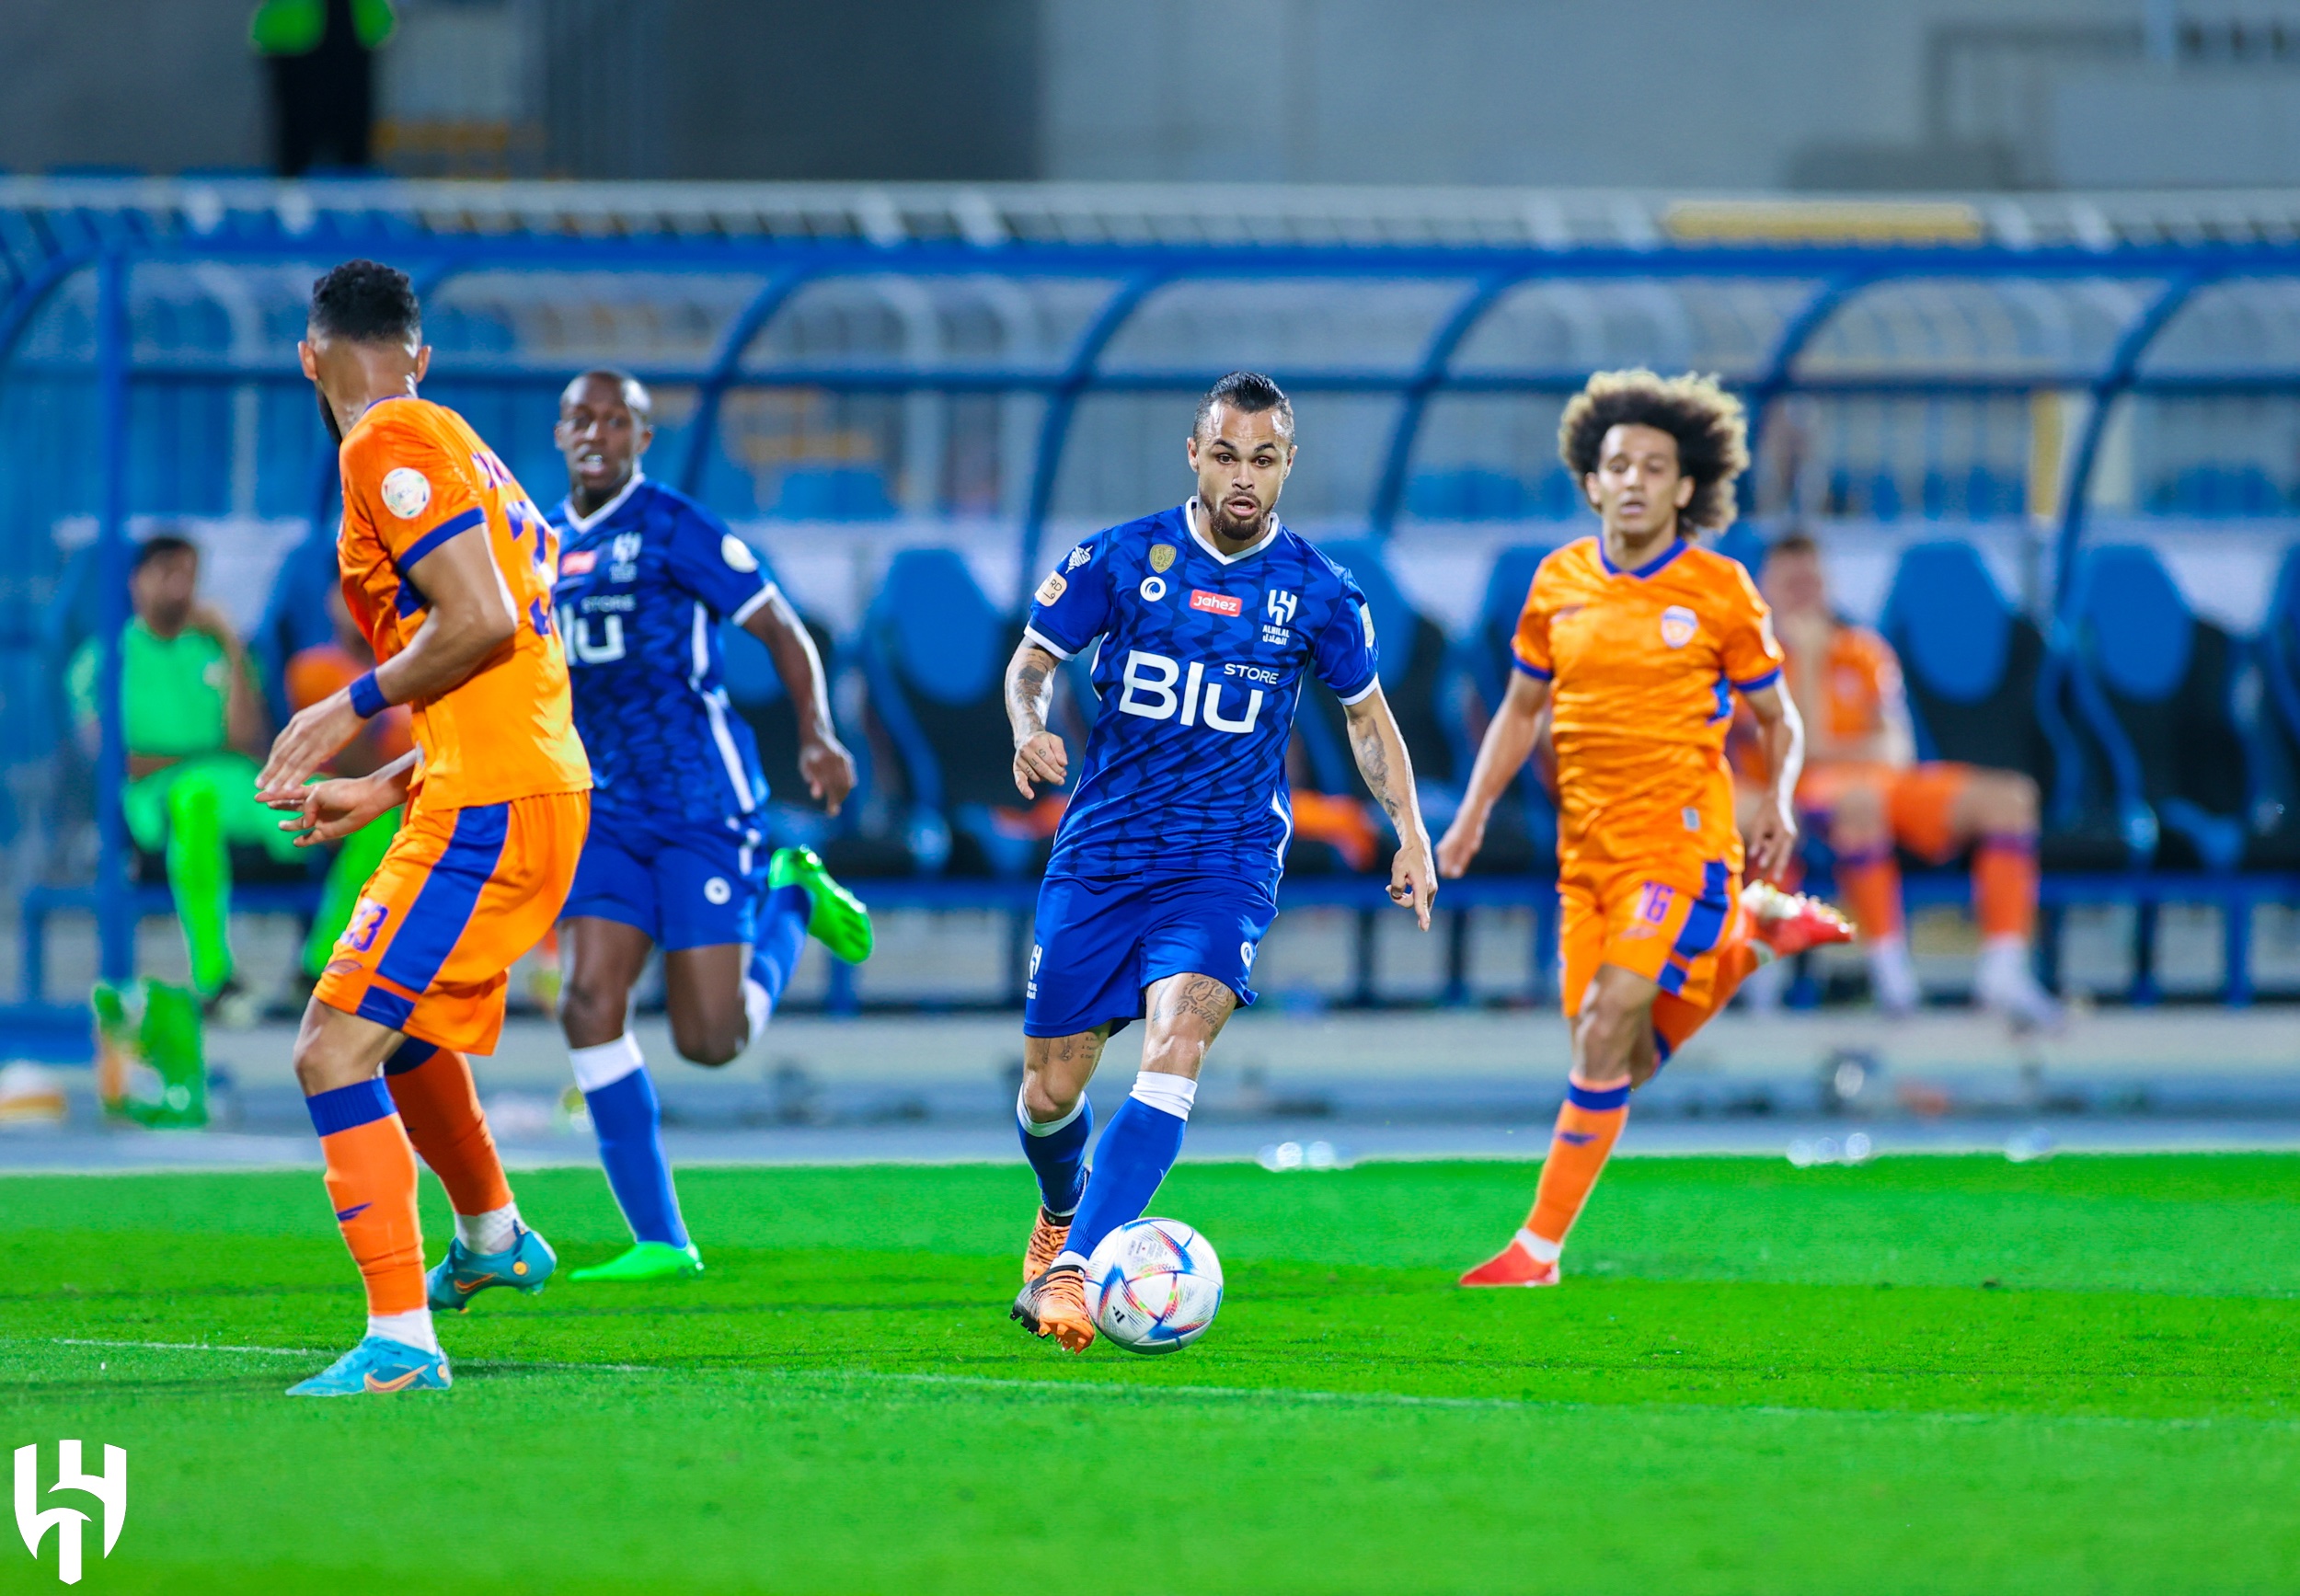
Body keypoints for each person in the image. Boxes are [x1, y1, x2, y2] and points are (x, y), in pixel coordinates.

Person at [1006, 371, 1438, 1351]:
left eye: (1265, 457)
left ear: (1288, 465)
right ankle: (1063, 1210)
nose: (1244, 476)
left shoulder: (1318, 592)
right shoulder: (1118, 560)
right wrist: (1028, 726)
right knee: (1049, 1093)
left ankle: (1078, 1266)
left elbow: (1367, 718)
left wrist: (1410, 830)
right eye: (1227, 454)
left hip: (1224, 858)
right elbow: (1032, 663)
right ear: (1194, 456)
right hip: (1104, 853)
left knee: (1176, 1047)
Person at [1436, 370, 1851, 1290]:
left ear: (1684, 488)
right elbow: (1516, 711)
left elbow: (1779, 719)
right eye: (1616, 464)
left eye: (1652, 467)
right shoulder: (1557, 583)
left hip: (1679, 845)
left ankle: (1534, 1252)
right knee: (1610, 1053)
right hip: (1582, 854)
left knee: (1611, 1022)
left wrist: (1778, 798)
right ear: (1591, 481)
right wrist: (1467, 819)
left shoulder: (1717, 590)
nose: (1631, 480)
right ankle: (1748, 942)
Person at [258, 258, 591, 1396]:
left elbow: (485, 622)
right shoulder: (467, 449)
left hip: (493, 802)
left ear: (310, 358)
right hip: (500, 779)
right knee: (399, 1028)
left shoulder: (383, 445)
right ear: (421, 351)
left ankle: (402, 1342)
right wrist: (387, 779)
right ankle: (493, 1237)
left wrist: (341, 708)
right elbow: (514, 654)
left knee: (330, 1046)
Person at [547, 368, 872, 1284]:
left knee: (710, 1040)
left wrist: (817, 733)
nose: (596, 433)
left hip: (701, 806)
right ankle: (661, 1238)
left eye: (618, 420)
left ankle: (791, 900)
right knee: (587, 1000)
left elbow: (780, 628)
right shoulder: (535, 544)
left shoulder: (673, 527)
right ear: (561, 431)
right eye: (582, 417)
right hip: (605, 809)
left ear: (641, 440)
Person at [1756, 534, 2059, 1028]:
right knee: (1859, 805)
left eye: (1811, 582)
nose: (1803, 595)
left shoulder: (1865, 650)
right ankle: (1892, 975)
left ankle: (2004, 970)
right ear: (1767, 589)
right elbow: (1796, 754)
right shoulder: (1754, 662)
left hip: (1889, 783)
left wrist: (1840, 746)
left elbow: (1897, 748)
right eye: (1791, 584)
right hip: (1810, 798)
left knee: (2012, 798)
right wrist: (1808, 662)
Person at [68, 533, 299, 1019]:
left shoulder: (218, 650)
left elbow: (250, 741)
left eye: (190, 575)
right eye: (168, 573)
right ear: (137, 582)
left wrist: (232, 645)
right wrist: (199, 756)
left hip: (240, 790)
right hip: (161, 802)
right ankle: (214, 977)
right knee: (196, 797)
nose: (181, 587)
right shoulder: (103, 660)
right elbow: (116, 758)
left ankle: (321, 968)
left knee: (364, 807)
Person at [283, 584, 412, 1002]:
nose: (367, 604)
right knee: (379, 821)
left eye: (380, 593)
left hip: (405, 793)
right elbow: (349, 761)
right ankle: (321, 968)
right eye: (351, 594)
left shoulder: (415, 664)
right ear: (330, 603)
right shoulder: (314, 669)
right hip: (318, 792)